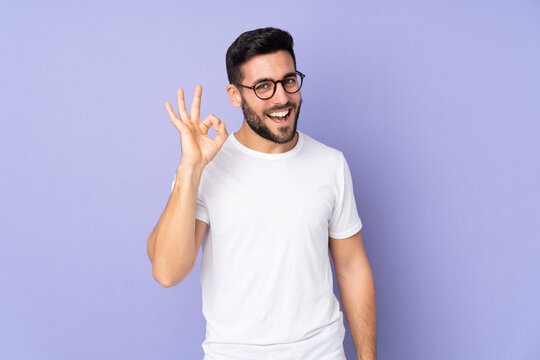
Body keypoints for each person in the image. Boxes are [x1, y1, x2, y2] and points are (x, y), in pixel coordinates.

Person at [147, 27, 377, 360]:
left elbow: (352, 268)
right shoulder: (207, 168)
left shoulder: (331, 164)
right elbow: (167, 271)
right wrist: (190, 169)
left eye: (289, 80)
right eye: (263, 87)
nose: (281, 98)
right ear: (234, 95)